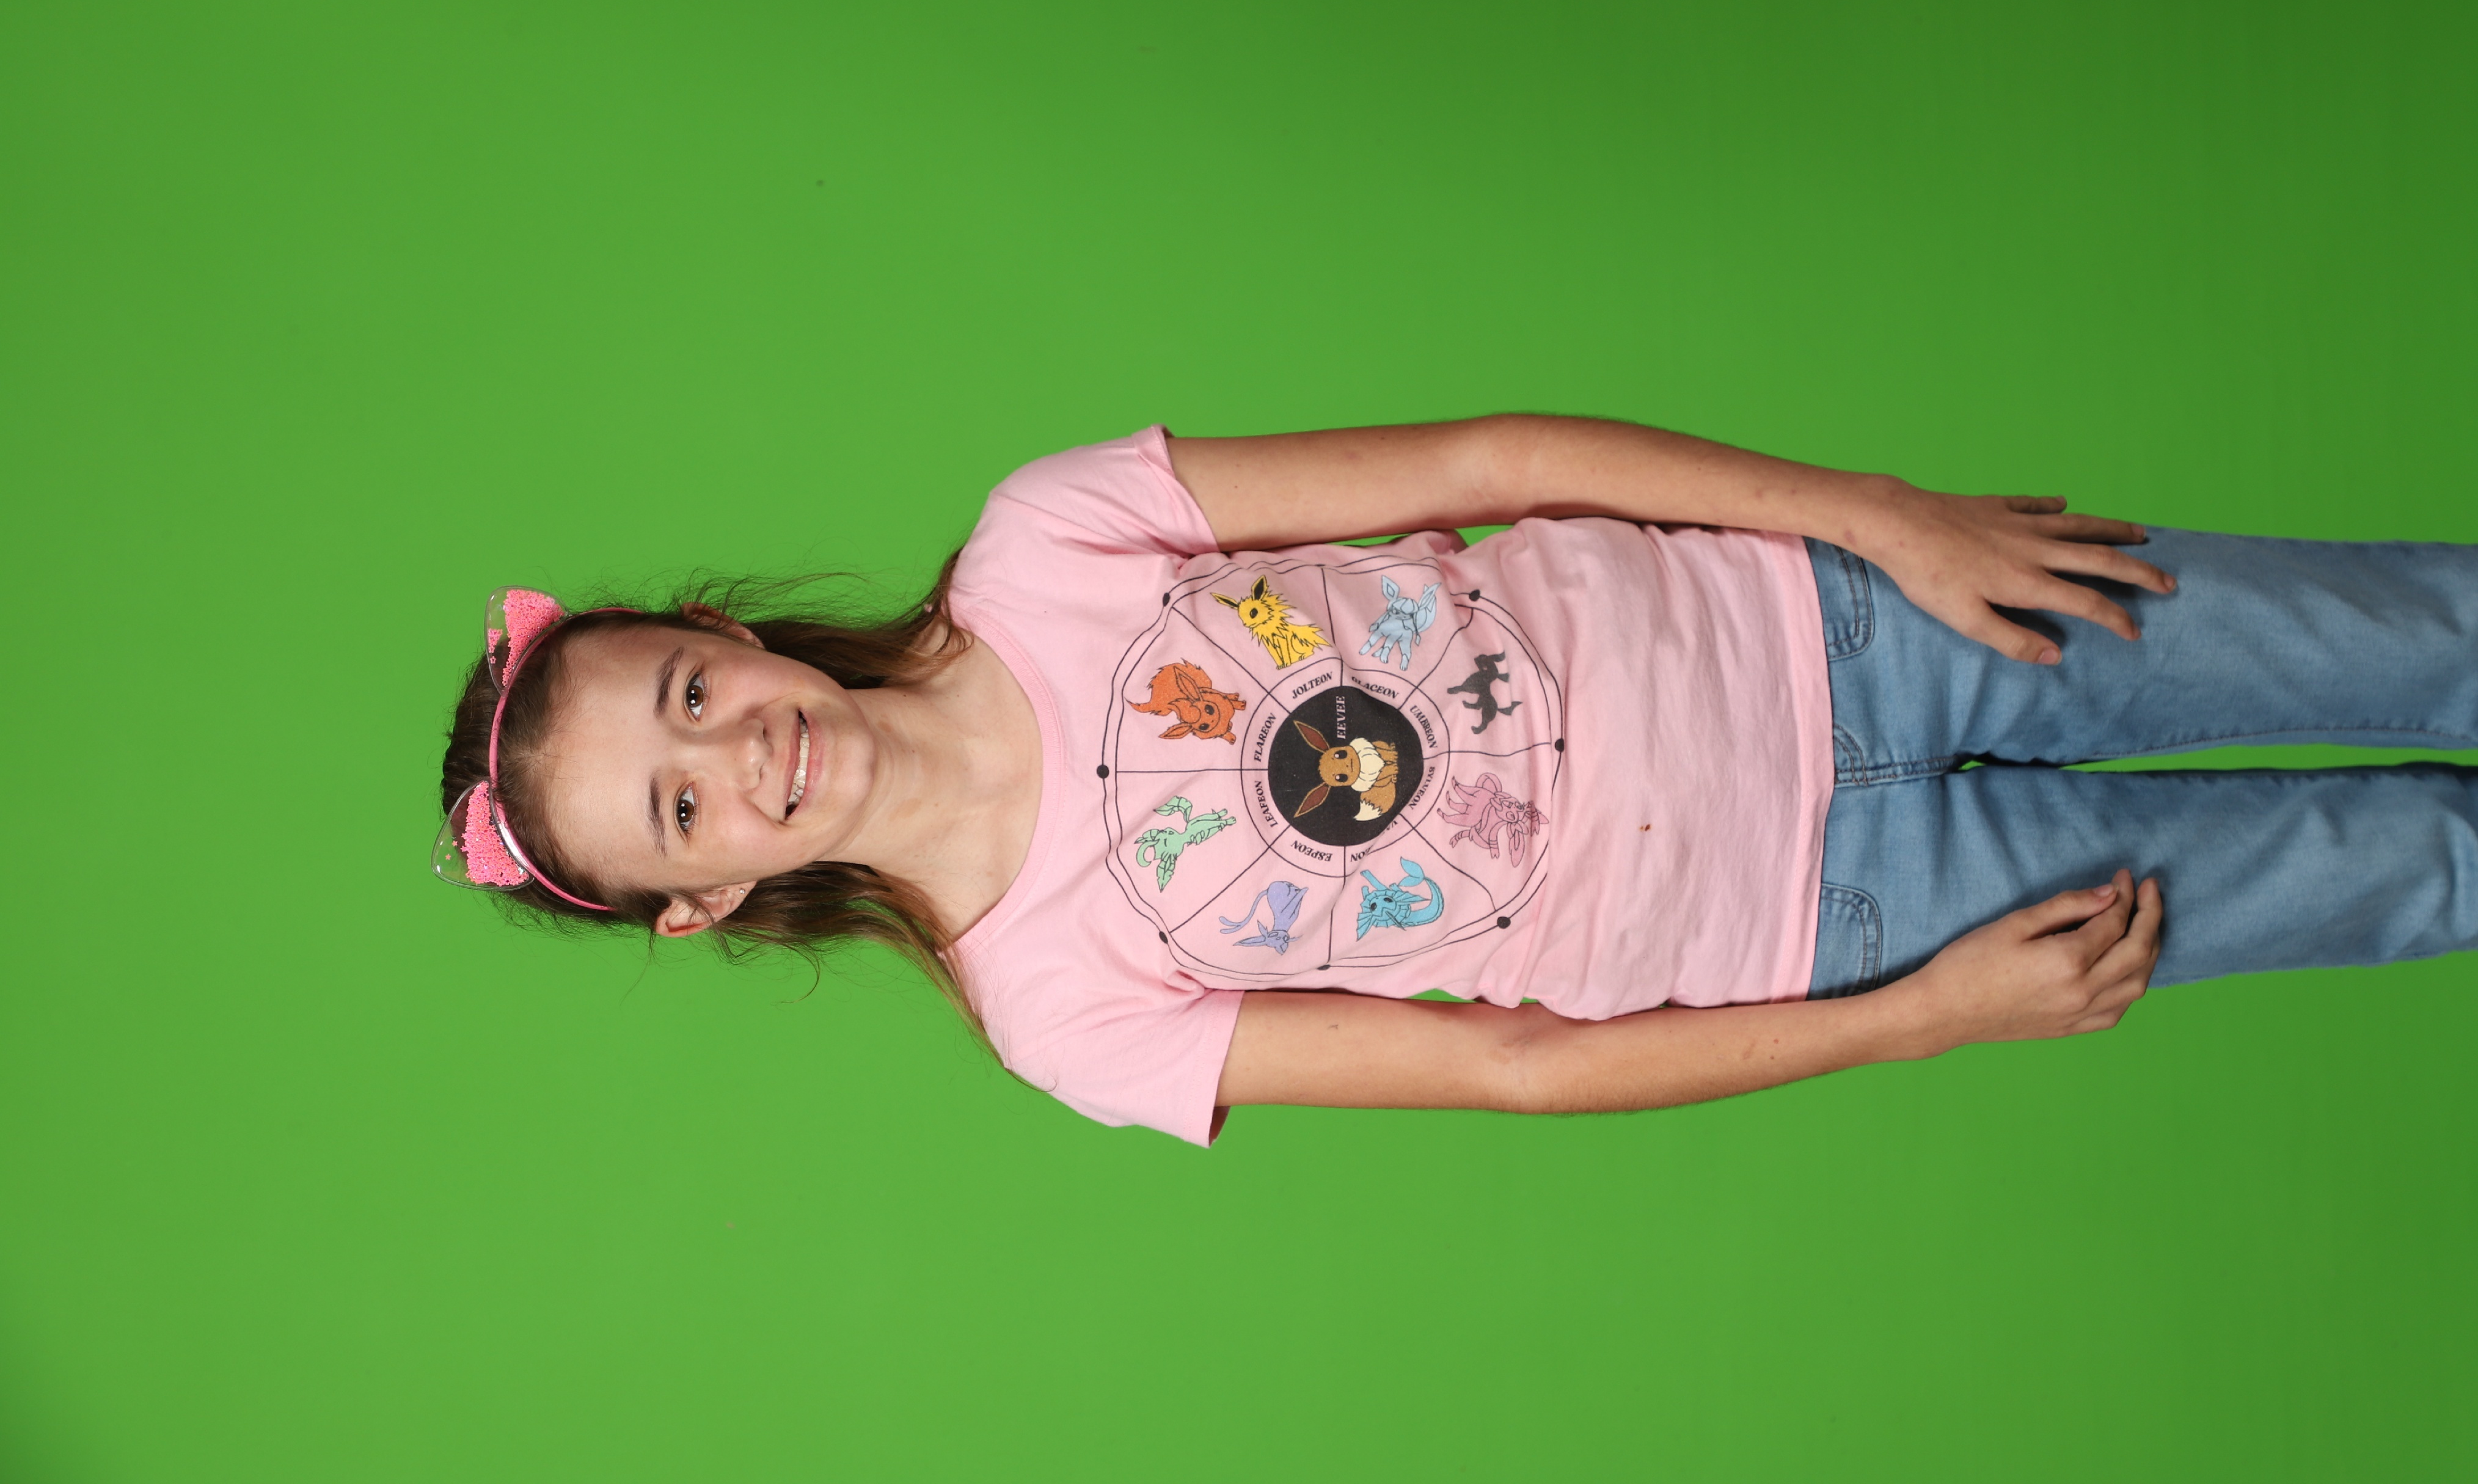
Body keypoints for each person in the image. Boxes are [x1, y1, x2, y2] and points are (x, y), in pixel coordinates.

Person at [432, 416, 2478, 1144]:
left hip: (1847, 622)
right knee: (2406, 867)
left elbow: (1493, 463)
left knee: (2399, 628)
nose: (738, 753)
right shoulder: (1059, 1016)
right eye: (678, 810)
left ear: (720, 631)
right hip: (1844, 919)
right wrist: (1919, 1016)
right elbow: (1511, 1068)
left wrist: (1877, 519)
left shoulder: (1046, 536)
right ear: (701, 898)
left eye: (686, 694)